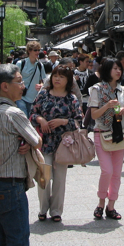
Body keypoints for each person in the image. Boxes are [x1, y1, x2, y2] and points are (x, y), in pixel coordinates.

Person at [0, 64, 42, 246]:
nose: (23, 85)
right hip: (9, 187)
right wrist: (28, 141)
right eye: (19, 81)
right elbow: (36, 140)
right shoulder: (13, 112)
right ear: (5, 86)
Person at [29, 65, 82, 222]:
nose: (57, 79)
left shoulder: (71, 98)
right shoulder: (43, 94)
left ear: (68, 80)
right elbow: (32, 113)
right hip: (44, 142)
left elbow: (78, 121)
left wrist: (63, 121)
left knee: (60, 178)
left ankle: (56, 210)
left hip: (63, 144)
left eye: (62, 76)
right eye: (55, 75)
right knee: (44, 175)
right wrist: (41, 120)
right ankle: (43, 208)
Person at [88, 58, 124, 220]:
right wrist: (107, 106)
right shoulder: (96, 89)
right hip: (102, 132)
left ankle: (111, 205)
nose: (118, 71)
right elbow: (93, 114)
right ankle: (100, 202)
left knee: (117, 173)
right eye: (114, 68)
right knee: (107, 170)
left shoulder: (123, 91)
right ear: (107, 70)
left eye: (119, 68)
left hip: (119, 132)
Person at [16, 40, 46, 118]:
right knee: (24, 118)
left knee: (30, 120)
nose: (37, 52)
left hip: (34, 98)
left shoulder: (40, 65)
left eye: (39, 50)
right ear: (29, 51)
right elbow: (14, 79)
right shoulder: (20, 64)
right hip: (21, 96)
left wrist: (41, 85)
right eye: (35, 50)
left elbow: (43, 81)